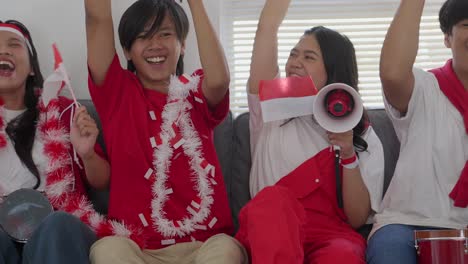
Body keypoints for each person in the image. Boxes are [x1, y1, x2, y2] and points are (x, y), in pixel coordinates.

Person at [83, 0, 247, 263]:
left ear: (182, 45)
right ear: (127, 51)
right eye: (142, 36)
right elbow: (97, 16)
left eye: (166, 34)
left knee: (226, 250)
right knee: (108, 250)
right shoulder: (117, 92)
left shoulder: (196, 93)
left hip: (203, 246)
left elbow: (219, 80)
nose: (155, 44)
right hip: (138, 249)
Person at [233, 0, 385, 263]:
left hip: (330, 235)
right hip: (272, 229)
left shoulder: (362, 133)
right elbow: (266, 28)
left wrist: (348, 152)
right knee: (274, 200)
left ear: (333, 70)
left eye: (308, 56)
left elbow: (357, 218)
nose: (295, 62)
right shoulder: (271, 109)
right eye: (293, 54)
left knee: (343, 256)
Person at [0, 20, 110, 264]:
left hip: (57, 230)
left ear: (31, 67)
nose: (3, 51)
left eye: (13, 45)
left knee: (57, 224)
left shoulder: (63, 111)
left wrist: (88, 153)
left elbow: (102, 181)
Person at [366, 0, 468, 263]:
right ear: (447, 38)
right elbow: (392, 73)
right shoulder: (425, 87)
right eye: (467, 26)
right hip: (407, 225)